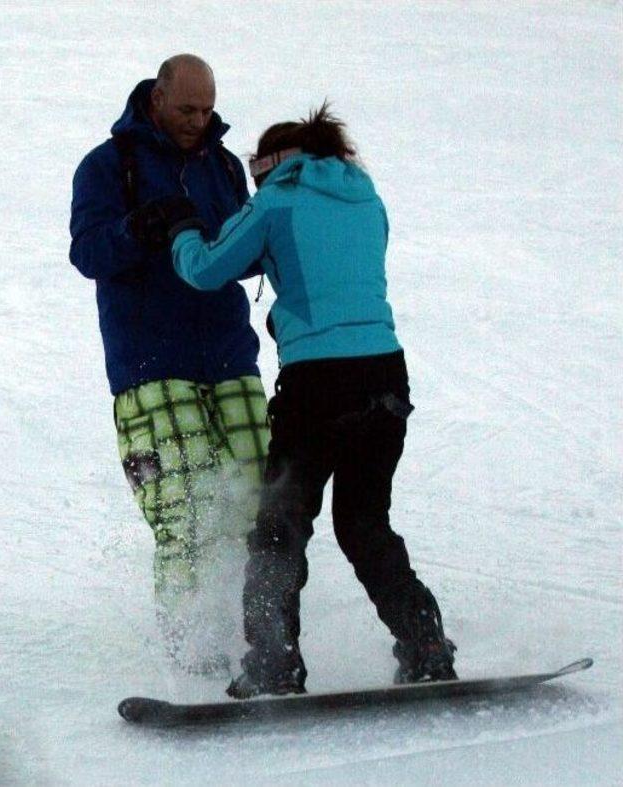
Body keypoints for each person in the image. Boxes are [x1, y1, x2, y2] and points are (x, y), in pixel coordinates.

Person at [145, 104, 458, 697]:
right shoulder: (367, 199)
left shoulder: (276, 201)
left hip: (318, 387)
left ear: (274, 166)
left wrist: (183, 227)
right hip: (387, 378)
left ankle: (272, 665)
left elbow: (207, 270)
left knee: (278, 529)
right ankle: (426, 648)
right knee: (366, 524)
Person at [68, 55, 270, 675]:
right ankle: (193, 652)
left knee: (262, 504)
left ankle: (265, 641)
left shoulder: (225, 166)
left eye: (208, 110)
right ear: (157, 98)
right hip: (150, 362)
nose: (199, 121)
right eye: (187, 109)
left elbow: (244, 255)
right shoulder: (109, 166)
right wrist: (142, 228)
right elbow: (87, 252)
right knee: (185, 508)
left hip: (230, 355)